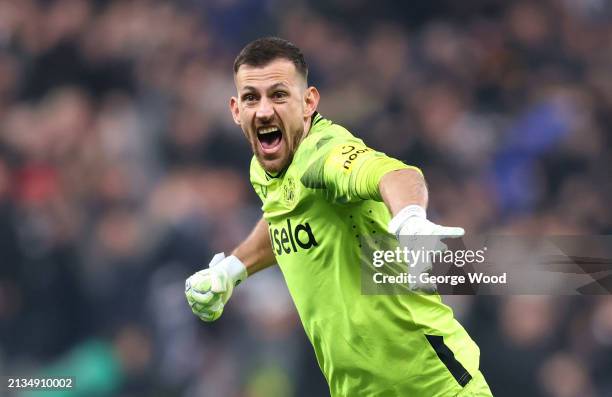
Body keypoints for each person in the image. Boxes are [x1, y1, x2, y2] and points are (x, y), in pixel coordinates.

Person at [185, 37, 492, 396]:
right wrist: (231, 270)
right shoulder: (265, 166)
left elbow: (396, 176)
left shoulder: (325, 155)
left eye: (279, 95)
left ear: (308, 102)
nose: (264, 110)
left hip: (432, 386)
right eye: (252, 97)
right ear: (236, 110)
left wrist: (411, 221)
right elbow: (285, 217)